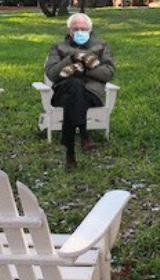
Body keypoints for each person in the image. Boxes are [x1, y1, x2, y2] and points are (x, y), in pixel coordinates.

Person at [45, 13, 115, 169]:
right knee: (75, 86)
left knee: (76, 87)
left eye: (83, 28)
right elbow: (52, 73)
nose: (79, 32)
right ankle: (84, 135)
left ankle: (70, 151)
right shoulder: (58, 47)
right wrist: (71, 58)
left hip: (92, 94)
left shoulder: (101, 46)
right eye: (75, 29)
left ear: (90, 30)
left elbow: (108, 72)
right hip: (63, 92)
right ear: (69, 30)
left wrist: (81, 69)